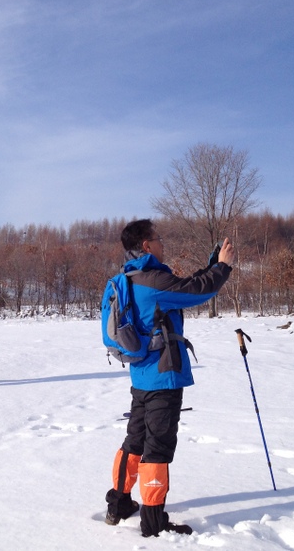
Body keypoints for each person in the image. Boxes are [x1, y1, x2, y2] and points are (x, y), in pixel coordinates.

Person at [104, 219, 234, 538]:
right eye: (158, 239)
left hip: (140, 376)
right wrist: (223, 268)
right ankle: (152, 521)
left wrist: (211, 265)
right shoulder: (155, 280)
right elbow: (196, 291)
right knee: (157, 447)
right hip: (164, 379)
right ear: (147, 246)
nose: (163, 244)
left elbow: (183, 288)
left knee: (134, 441)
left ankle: (118, 503)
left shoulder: (123, 281)